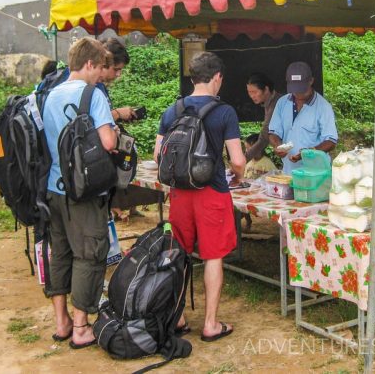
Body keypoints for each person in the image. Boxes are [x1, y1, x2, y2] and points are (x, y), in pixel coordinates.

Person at [154, 52, 245, 343]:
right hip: (212, 193)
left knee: (179, 253)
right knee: (212, 256)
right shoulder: (225, 112)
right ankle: (210, 324)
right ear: (217, 78)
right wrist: (238, 175)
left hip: (180, 194)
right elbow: (239, 160)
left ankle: (178, 317)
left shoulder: (173, 110)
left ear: (192, 78)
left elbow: (158, 155)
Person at [41, 37, 118, 349]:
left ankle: (62, 323)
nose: (101, 74)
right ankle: (82, 327)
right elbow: (109, 143)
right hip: (82, 192)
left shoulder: (49, 94)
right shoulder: (93, 94)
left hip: (52, 189)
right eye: (99, 67)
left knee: (59, 254)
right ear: (88, 64)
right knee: (89, 253)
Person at [98, 38, 143, 220]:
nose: (118, 75)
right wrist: (117, 114)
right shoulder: (90, 89)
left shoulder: (99, 88)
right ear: (104, 62)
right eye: (116, 69)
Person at [268, 61, 338, 172]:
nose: (297, 93)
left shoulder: (323, 107)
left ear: (311, 81)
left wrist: (309, 152)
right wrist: (278, 146)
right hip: (289, 172)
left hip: (316, 174)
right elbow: (273, 132)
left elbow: (331, 141)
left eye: (301, 88)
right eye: (294, 89)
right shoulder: (282, 102)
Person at [245, 73, 280, 163]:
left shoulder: (277, 104)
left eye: (255, 92)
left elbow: (264, 138)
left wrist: (242, 160)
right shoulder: (268, 103)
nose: (252, 96)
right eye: (249, 92)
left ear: (266, 89)